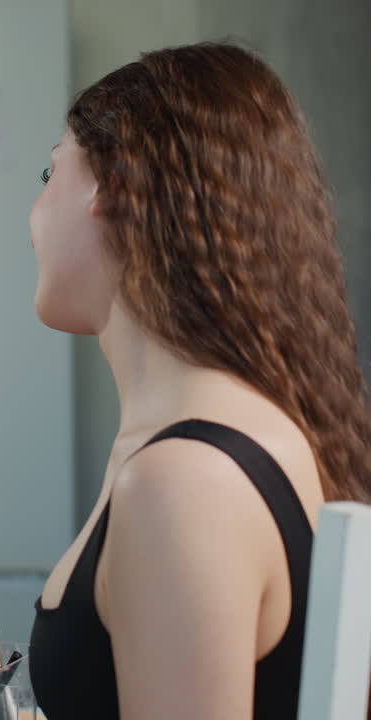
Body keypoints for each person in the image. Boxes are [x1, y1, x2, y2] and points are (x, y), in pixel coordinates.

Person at [25, 42, 371, 720]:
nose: (32, 214)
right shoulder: (224, 436)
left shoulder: (183, 480)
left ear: (111, 187)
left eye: (49, 171)